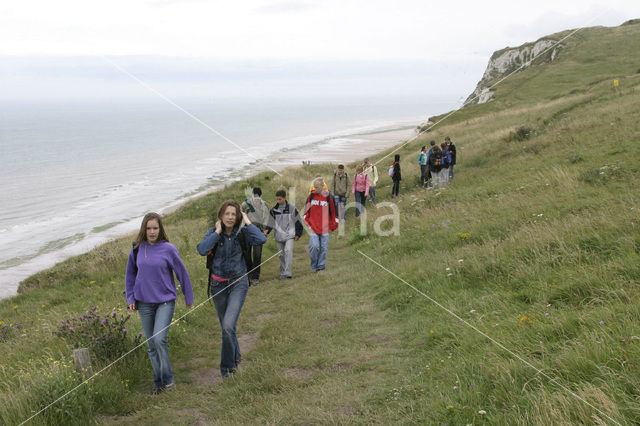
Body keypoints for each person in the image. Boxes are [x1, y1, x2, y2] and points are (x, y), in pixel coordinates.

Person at [125, 212, 194, 394]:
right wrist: (130, 298)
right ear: (144, 229)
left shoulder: (168, 249)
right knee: (151, 346)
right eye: (149, 228)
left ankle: (169, 380)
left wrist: (189, 297)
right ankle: (158, 383)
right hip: (144, 304)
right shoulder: (137, 249)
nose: (152, 231)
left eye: (155, 228)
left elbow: (182, 273)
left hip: (165, 302)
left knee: (159, 339)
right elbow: (130, 275)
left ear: (160, 229)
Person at [197, 201, 267, 378]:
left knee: (228, 326)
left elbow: (261, 239)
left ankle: (227, 369)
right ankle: (235, 357)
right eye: (226, 214)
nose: (230, 217)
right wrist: (217, 232)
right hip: (218, 285)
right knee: (227, 328)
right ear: (221, 216)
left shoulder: (242, 232)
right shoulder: (213, 234)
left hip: (238, 283)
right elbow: (202, 250)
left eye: (233, 214)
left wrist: (248, 222)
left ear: (238, 217)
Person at [264, 189, 304, 279]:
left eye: (280, 199)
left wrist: (298, 234)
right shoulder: (273, 210)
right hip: (279, 236)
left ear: (285, 198)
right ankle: (282, 272)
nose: (278, 201)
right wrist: (267, 230)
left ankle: (288, 272)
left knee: (288, 251)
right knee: (281, 255)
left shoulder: (292, 209)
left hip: (290, 235)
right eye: (277, 199)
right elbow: (270, 223)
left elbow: (298, 221)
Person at [303, 177, 339, 272]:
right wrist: (307, 221)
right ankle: (314, 267)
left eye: (317, 187)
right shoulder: (311, 196)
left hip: (325, 228)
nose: (315, 189)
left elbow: (334, 213)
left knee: (323, 248)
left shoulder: (329, 197)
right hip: (314, 227)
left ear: (323, 186)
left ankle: (321, 267)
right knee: (314, 247)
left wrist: (333, 226)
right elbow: (306, 211)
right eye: (314, 187)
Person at [241, 187, 270, 285]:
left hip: (259, 233)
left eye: (258, 198)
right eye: (255, 197)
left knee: (257, 255)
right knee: (247, 255)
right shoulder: (245, 205)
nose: (256, 200)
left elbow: (266, 218)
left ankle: (255, 277)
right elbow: (241, 218)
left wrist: (265, 231)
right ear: (252, 196)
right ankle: (249, 275)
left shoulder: (265, 205)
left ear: (261, 197)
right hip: (247, 232)